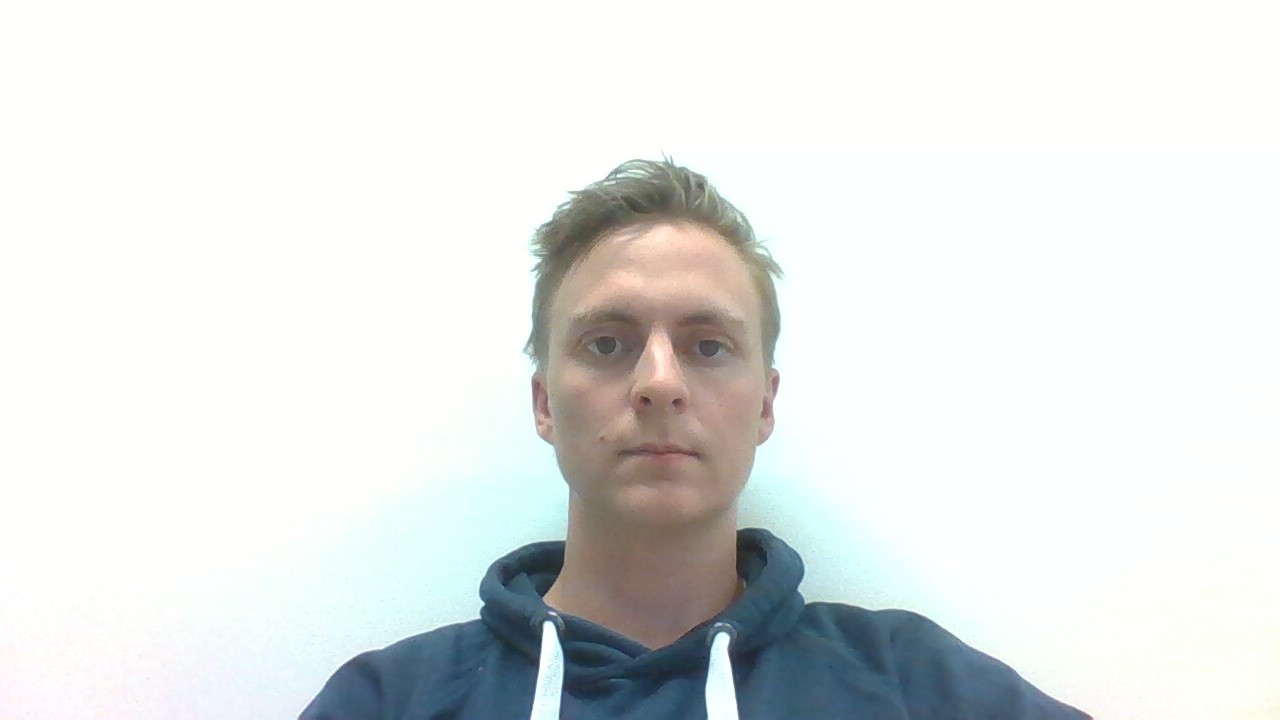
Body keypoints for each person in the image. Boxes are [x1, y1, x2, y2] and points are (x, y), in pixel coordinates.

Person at [300, 158, 1090, 719]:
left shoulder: (916, 686)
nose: (659, 381)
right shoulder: (388, 702)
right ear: (544, 404)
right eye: (607, 343)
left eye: (708, 345)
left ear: (765, 405)